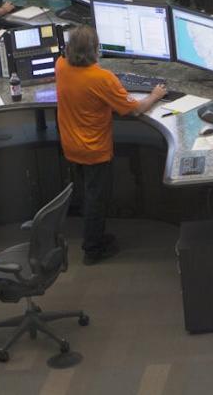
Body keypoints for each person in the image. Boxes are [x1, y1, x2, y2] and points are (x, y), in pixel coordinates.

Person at [55, 25, 167, 264]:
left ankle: (92, 235)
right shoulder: (103, 79)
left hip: (70, 145)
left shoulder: (60, 66)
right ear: (95, 50)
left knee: (87, 194)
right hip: (94, 150)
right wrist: (155, 95)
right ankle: (92, 249)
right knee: (97, 201)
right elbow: (135, 109)